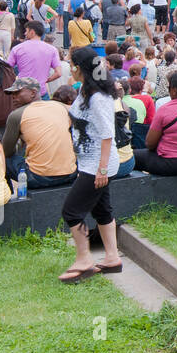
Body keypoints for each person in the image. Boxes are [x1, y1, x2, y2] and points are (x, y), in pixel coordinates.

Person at [58, 46, 122, 283]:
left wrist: (102, 169)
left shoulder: (97, 97)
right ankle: (112, 257)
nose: (70, 69)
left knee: (71, 211)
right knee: (101, 210)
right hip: (89, 160)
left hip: (97, 163)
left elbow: (107, 134)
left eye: (72, 65)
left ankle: (84, 258)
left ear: (80, 68)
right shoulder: (86, 91)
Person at [1, 76, 77, 189]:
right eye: (12, 94)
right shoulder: (61, 107)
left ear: (33, 93)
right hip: (71, 174)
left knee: (1, 158)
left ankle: (8, 196)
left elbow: (6, 152)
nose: (13, 97)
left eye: (17, 93)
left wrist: (21, 140)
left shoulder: (17, 115)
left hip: (37, 178)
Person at [7, 20, 64, 96]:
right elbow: (59, 73)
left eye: (26, 31)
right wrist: (45, 80)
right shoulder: (52, 50)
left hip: (23, 92)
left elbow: (7, 69)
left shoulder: (17, 48)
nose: (25, 33)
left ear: (32, 32)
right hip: (41, 91)